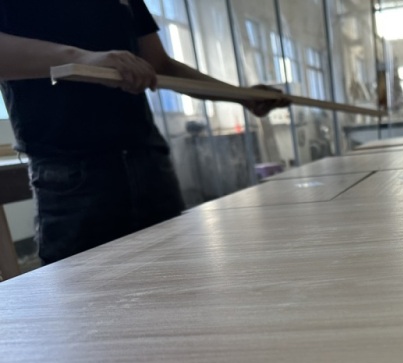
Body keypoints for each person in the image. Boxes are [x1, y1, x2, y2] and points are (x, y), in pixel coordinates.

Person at [0, 0, 288, 265]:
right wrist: (82, 59)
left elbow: (159, 65)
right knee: (89, 297)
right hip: (70, 174)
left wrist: (242, 96)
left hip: (148, 161)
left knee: (181, 284)